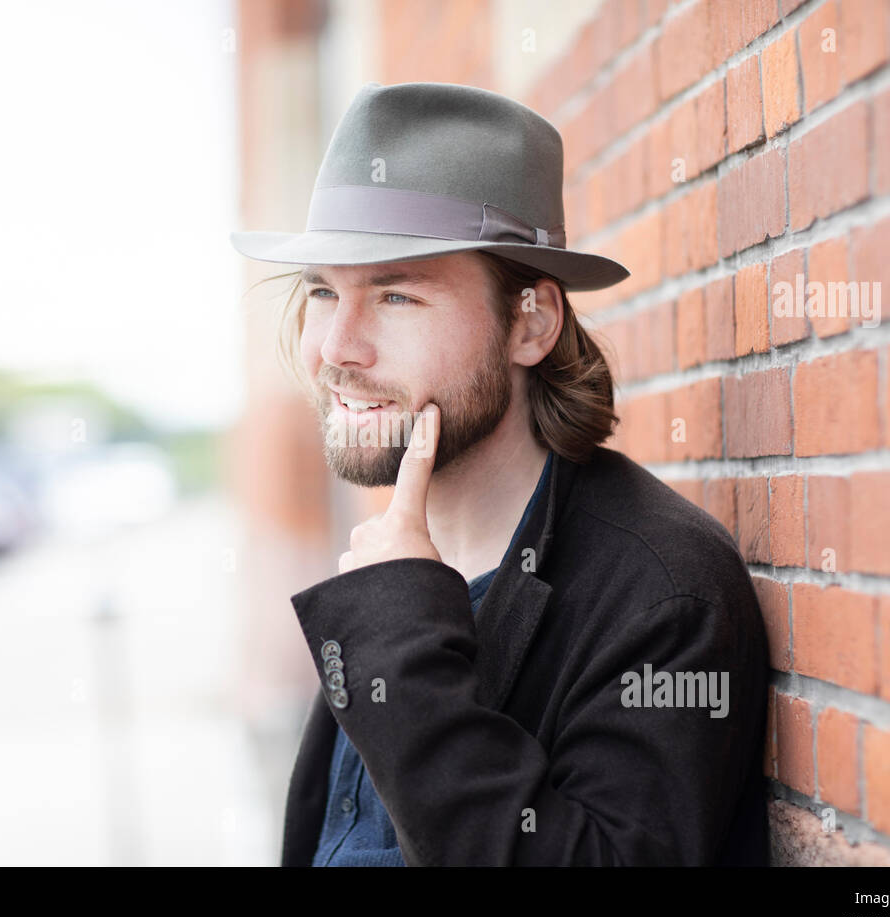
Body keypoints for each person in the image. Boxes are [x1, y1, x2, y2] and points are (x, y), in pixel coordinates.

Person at [230, 81, 770, 866]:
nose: (337, 348)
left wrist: (397, 635)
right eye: (322, 291)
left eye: (397, 295)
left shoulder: (661, 594)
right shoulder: (391, 560)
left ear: (532, 322)